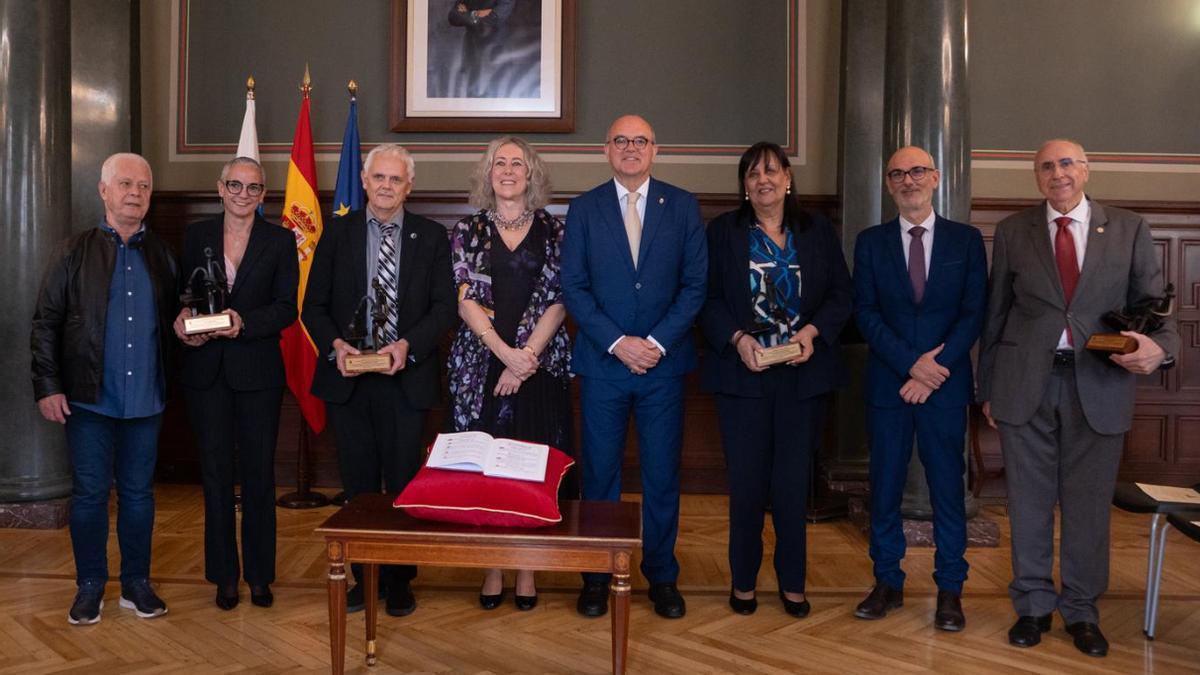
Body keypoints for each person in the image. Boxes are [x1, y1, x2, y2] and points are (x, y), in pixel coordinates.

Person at [978, 139, 1179, 657]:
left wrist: (1163, 349)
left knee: (1088, 506)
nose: (1057, 173)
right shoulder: (1012, 231)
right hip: (1026, 385)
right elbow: (995, 314)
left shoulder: (1129, 228)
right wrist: (988, 389)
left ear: (1086, 170)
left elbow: (1153, 309)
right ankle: (1032, 606)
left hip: (1100, 382)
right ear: (1036, 177)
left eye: (1067, 163)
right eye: (1046, 166)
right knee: (1028, 502)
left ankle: (1082, 611)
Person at [699, 142, 853, 618]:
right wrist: (738, 339)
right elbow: (705, 299)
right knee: (746, 486)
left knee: (792, 486)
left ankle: (793, 583)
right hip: (743, 376)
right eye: (752, 174)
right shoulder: (724, 232)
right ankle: (742, 583)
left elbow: (842, 297)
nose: (762, 180)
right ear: (744, 186)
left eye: (771, 170)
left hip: (801, 378)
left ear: (788, 178)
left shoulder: (817, 231)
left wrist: (811, 332)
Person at [561, 114, 707, 619]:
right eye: (620, 140)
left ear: (654, 149)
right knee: (599, 475)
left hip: (663, 368)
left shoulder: (682, 207)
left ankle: (662, 576)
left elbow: (695, 287)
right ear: (606, 150)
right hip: (604, 366)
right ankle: (597, 575)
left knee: (662, 476)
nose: (630, 148)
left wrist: (657, 344)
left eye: (639, 140)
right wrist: (620, 342)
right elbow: (574, 288)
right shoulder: (583, 209)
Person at [302, 143, 457, 618]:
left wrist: (408, 346)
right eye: (379, 178)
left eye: (396, 179)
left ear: (409, 186)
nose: (387, 186)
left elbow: (443, 309)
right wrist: (336, 346)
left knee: (405, 487)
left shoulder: (431, 237)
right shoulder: (338, 234)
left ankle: (399, 580)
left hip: (405, 381)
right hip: (351, 380)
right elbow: (314, 307)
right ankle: (362, 577)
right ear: (364, 183)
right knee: (360, 487)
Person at [30, 153, 178, 624]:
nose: (135, 193)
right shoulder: (72, 252)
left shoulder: (163, 255)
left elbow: (178, 321)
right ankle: (90, 585)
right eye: (125, 184)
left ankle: (136, 584)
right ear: (104, 190)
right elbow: (45, 323)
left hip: (146, 400)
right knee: (91, 495)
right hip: (88, 398)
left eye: (143, 186)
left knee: (139, 496)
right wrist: (48, 386)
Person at [852, 146, 986, 631]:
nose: (908, 181)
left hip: (945, 388)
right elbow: (865, 312)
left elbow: (973, 313)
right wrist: (911, 364)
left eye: (917, 172)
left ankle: (950, 587)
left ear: (935, 178)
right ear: (889, 184)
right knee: (884, 487)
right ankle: (887, 580)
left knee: (947, 489)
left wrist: (935, 368)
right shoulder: (869, 242)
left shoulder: (966, 241)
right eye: (897, 174)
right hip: (889, 385)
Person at [447, 136, 573, 611]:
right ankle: (492, 566)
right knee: (486, 469)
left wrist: (524, 360)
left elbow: (561, 298)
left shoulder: (556, 230)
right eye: (499, 163)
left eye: (516, 163)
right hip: (480, 363)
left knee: (531, 468)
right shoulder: (467, 229)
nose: (507, 170)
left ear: (531, 173)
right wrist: (503, 354)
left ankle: (527, 568)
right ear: (488, 173)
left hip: (540, 365)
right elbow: (465, 299)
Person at [173, 157, 298, 611]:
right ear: (220, 188)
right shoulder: (196, 236)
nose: (243, 194)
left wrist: (244, 322)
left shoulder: (280, 241)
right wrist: (184, 319)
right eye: (235, 186)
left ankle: (260, 576)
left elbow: (287, 308)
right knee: (216, 477)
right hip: (206, 373)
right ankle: (224, 577)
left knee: (260, 477)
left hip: (258, 374)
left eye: (254, 188)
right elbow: (181, 296)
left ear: (264, 194)